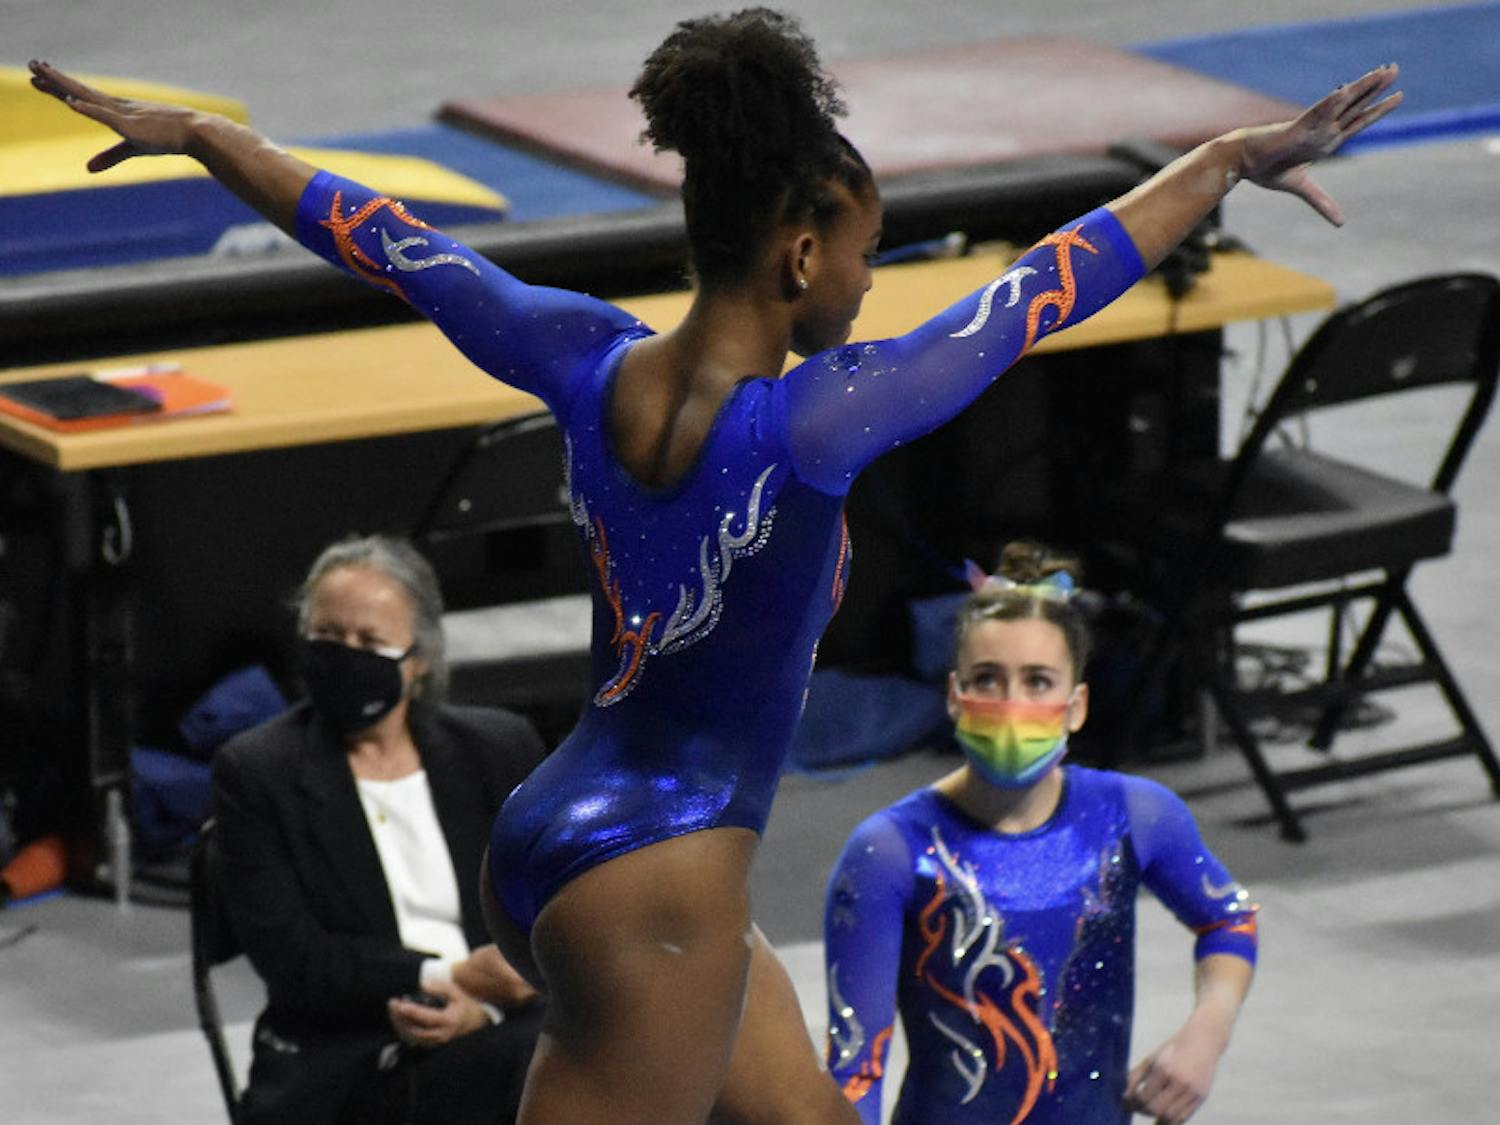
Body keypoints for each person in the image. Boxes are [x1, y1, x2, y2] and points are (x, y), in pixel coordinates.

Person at [30, 15, 1395, 1120]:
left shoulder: (582, 354)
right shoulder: (816, 419)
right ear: (800, 248)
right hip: (661, 875)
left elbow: (390, 242)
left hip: (586, 829)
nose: (871, 281)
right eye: (867, 253)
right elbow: (1044, 284)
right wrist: (1220, 162)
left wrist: (215, 140)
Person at [823, 542, 1258, 1124]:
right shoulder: (891, 852)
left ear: (1076, 705)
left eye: (1037, 682)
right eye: (987, 680)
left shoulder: (1133, 815)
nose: (1011, 704)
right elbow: (856, 1066)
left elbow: (1229, 917)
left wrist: (1208, 1031)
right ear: (955, 697)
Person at [208, 535, 547, 1124]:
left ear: (417, 662)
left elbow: (555, 913)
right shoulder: (257, 772)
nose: (346, 656)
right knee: (542, 1064)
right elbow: (297, 964)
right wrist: (450, 978)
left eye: (369, 642)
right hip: (351, 1053)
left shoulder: (498, 748)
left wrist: (484, 1008)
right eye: (328, 638)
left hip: (499, 1028)